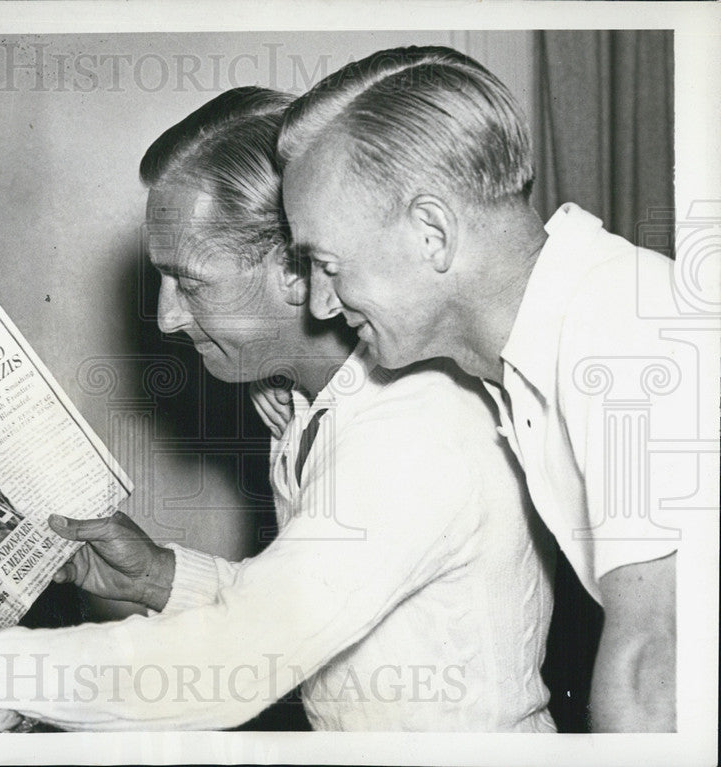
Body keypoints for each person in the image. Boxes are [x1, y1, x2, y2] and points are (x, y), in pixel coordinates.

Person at [0, 86, 556, 731]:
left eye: (190, 280)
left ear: (298, 268)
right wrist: (158, 575)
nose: (165, 317)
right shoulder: (321, 404)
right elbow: (313, 606)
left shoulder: (415, 422)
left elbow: (234, 660)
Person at [277, 45, 682, 732]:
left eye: (327, 264)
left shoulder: (617, 325)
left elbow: (657, 668)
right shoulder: (533, 359)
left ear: (433, 233)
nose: (320, 304)